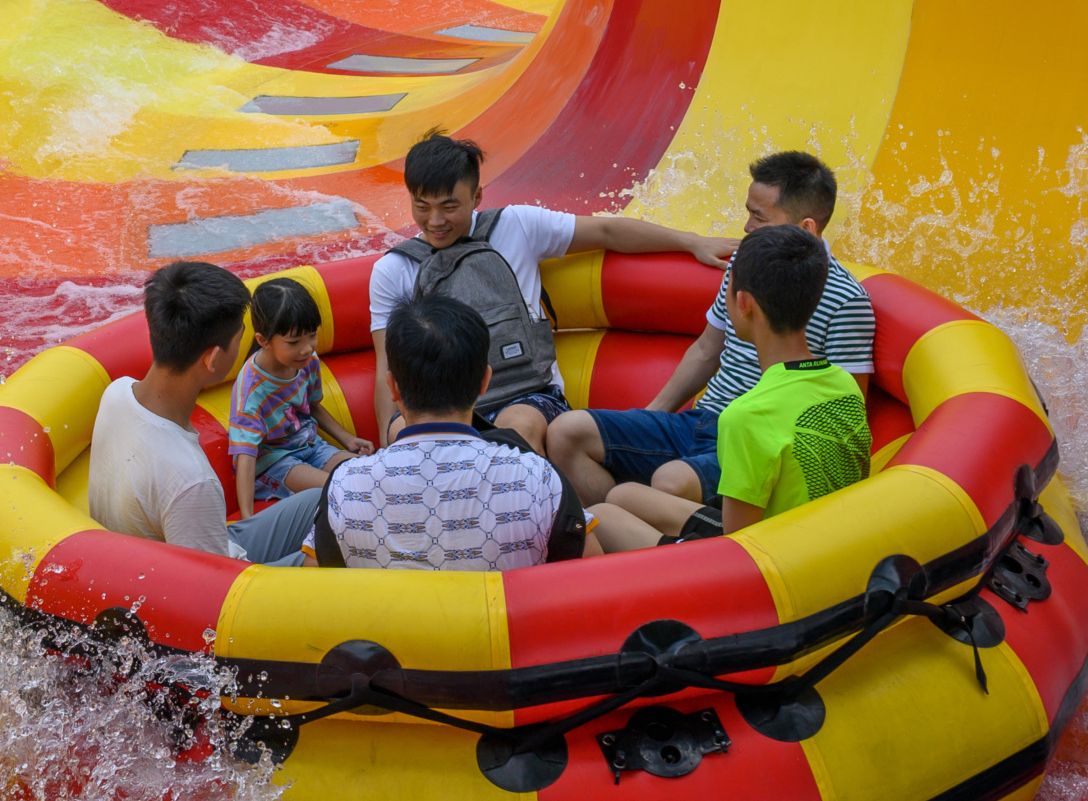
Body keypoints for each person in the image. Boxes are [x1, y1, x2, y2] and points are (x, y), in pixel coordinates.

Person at [370, 130, 736, 453]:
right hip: (439, 405)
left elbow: (607, 232)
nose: (435, 221)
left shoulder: (517, 226)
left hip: (527, 394)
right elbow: (389, 364)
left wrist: (690, 241)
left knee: (516, 427)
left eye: (449, 207)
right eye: (423, 207)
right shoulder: (393, 270)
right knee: (408, 435)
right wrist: (389, 437)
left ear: (477, 196)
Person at [547, 150, 874, 508]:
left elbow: (842, 410)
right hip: (704, 420)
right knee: (566, 433)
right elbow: (706, 350)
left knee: (666, 486)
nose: (747, 226)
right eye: (748, 212)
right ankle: (622, 529)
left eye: (758, 217)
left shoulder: (845, 299)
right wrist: (652, 414)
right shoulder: (745, 262)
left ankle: (638, 529)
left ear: (806, 227)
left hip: (756, 441)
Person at [595, 225, 872, 550]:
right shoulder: (844, 384)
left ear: (744, 304)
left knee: (601, 515)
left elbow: (738, 550)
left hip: (773, 560)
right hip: (826, 541)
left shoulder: (746, 417)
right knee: (622, 495)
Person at [316, 295, 600, 571]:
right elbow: (590, 578)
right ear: (484, 382)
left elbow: (317, 584)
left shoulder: (343, 486)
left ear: (392, 387)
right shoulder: (539, 479)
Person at [87, 261, 322, 566]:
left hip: (182, 548)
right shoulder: (191, 480)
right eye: (240, 340)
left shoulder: (116, 392)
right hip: (209, 585)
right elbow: (213, 593)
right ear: (212, 359)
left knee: (328, 497)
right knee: (337, 550)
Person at [230, 277, 373, 520]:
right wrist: (247, 520)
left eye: (311, 335)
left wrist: (347, 439)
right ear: (263, 340)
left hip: (310, 446)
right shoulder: (252, 389)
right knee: (341, 490)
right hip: (275, 462)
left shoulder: (307, 361)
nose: (307, 348)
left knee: (368, 477)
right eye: (294, 342)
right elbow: (245, 455)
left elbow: (312, 406)